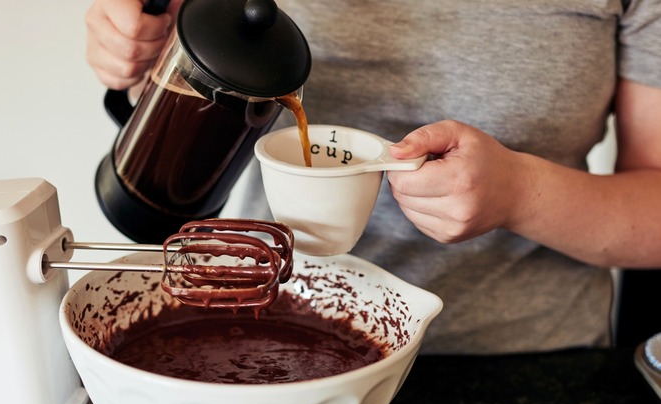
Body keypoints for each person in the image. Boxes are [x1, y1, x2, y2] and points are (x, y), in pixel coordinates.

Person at [84, 0, 661, 354]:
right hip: (268, 327)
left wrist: (520, 195)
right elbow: (191, 101)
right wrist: (144, 56)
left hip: (524, 361)